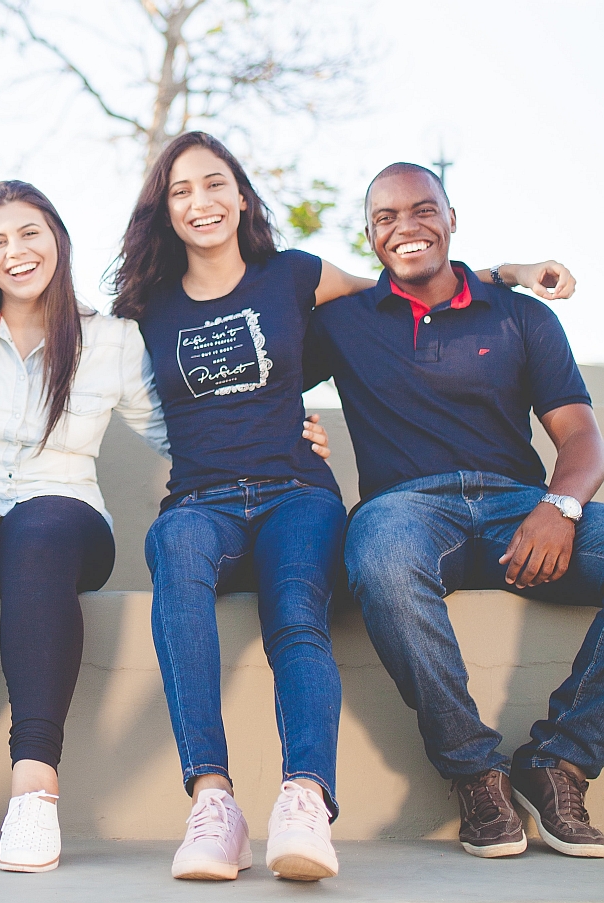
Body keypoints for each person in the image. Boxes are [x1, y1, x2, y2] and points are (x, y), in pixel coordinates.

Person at [109, 131, 568, 882]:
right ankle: (213, 801)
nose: (202, 202)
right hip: (199, 499)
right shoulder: (143, 308)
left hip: (297, 491)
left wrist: (508, 272)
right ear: (163, 208)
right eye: (183, 190)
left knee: (296, 611)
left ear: (242, 195)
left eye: (216, 183)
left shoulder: (294, 275)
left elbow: (407, 284)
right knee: (177, 559)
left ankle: (304, 799)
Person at [0, 180, 330, 872]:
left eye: (29, 233)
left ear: (57, 240)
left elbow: (183, 431)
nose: (15, 251)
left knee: (40, 530)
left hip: (64, 518)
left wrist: (276, 436)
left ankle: (34, 788)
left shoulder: (111, 339)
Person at [306, 162, 602, 860]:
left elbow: (581, 435)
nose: (405, 227)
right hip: (404, 511)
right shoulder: (343, 322)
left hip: (521, 508)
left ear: (452, 218)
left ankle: (559, 760)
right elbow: (270, 297)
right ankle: (475, 773)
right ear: (370, 235)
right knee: (377, 556)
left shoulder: (521, 314)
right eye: (385, 218)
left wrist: (560, 506)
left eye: (422, 210)